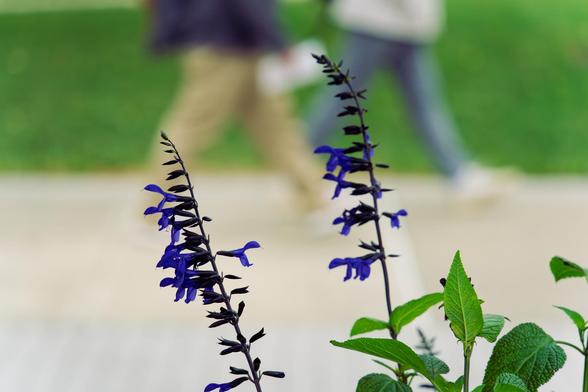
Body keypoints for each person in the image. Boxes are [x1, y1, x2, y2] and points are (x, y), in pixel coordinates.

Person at [308, 0, 510, 198]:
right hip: (374, 24)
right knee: (342, 99)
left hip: (407, 28)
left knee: (424, 105)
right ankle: (299, 164)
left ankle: (458, 173)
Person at [143, 0, 324, 211]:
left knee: (276, 128)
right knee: (191, 129)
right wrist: (280, 43)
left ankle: (317, 198)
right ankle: (155, 210)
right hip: (225, 48)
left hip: (237, 45)